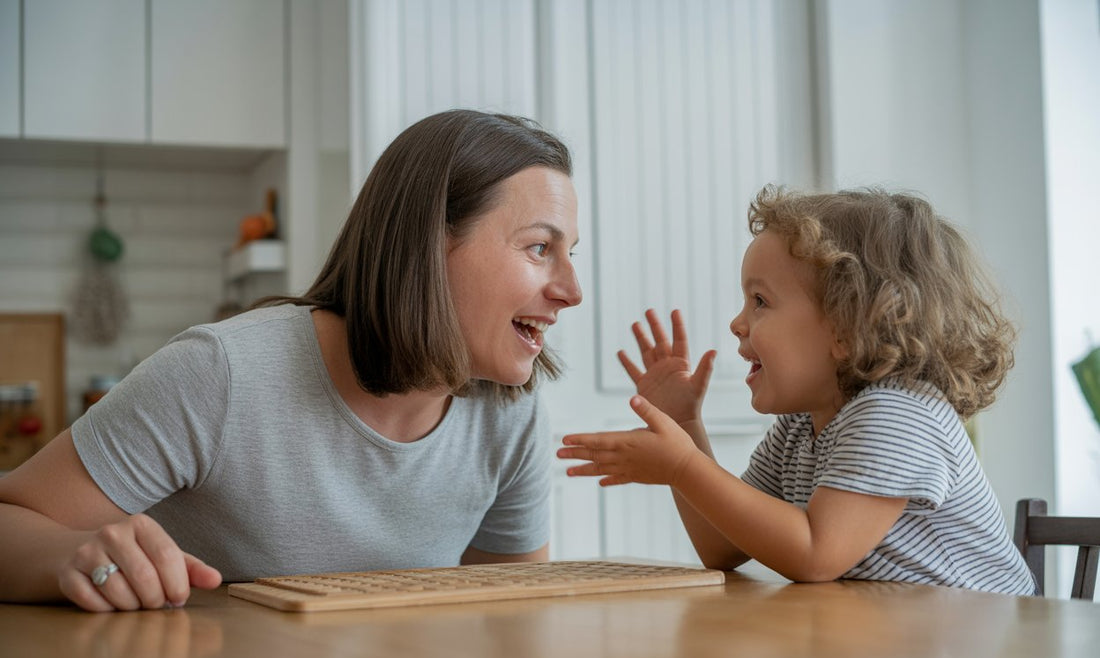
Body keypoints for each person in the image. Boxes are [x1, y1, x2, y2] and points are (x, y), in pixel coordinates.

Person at [0, 109, 582, 612]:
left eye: (570, 254)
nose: (572, 290)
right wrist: (68, 557)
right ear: (430, 244)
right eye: (539, 248)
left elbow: (506, 618)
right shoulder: (219, 374)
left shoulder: (511, 417)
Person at [558, 184, 1036, 595]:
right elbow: (721, 547)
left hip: (984, 652)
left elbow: (814, 554)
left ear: (847, 329)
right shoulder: (799, 430)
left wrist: (683, 466)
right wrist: (685, 429)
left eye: (760, 301)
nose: (737, 323)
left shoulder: (899, 414)